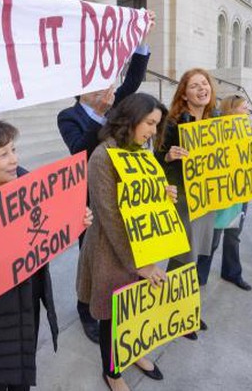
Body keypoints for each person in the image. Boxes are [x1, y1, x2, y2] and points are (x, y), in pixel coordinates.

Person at [0, 120, 93, 391]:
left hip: (28, 313)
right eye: (2, 154)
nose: (14, 160)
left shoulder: (35, 193)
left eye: (14, 150)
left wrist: (75, 219)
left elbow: (48, 230)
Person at [56, 11, 155, 343]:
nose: (108, 89)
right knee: (89, 258)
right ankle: (86, 311)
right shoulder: (68, 116)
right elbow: (78, 150)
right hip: (86, 199)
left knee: (116, 255)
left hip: (119, 191)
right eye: (99, 85)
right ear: (83, 91)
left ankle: (111, 300)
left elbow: (134, 81)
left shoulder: (114, 105)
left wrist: (140, 38)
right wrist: (104, 116)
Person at [77, 93, 176, 391]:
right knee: (112, 316)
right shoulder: (102, 156)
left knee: (135, 309)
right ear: (130, 119)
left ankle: (134, 351)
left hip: (144, 246)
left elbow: (142, 200)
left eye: (157, 125)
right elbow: (109, 217)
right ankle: (112, 372)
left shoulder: (141, 151)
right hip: (112, 252)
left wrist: (164, 194)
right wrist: (139, 265)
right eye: (149, 123)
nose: (153, 132)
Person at [155, 68, 217, 338]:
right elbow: (155, 160)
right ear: (184, 93)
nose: (201, 89)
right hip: (182, 196)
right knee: (183, 255)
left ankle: (188, 309)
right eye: (194, 86)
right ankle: (174, 313)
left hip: (208, 196)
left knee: (201, 252)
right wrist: (168, 156)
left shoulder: (219, 119)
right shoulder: (172, 123)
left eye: (204, 84)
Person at [195, 95, 252, 291]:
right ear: (231, 110)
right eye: (244, 108)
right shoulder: (214, 131)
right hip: (220, 193)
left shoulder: (247, 131)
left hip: (240, 192)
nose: (247, 112)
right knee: (212, 239)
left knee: (234, 235)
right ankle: (199, 277)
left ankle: (232, 273)